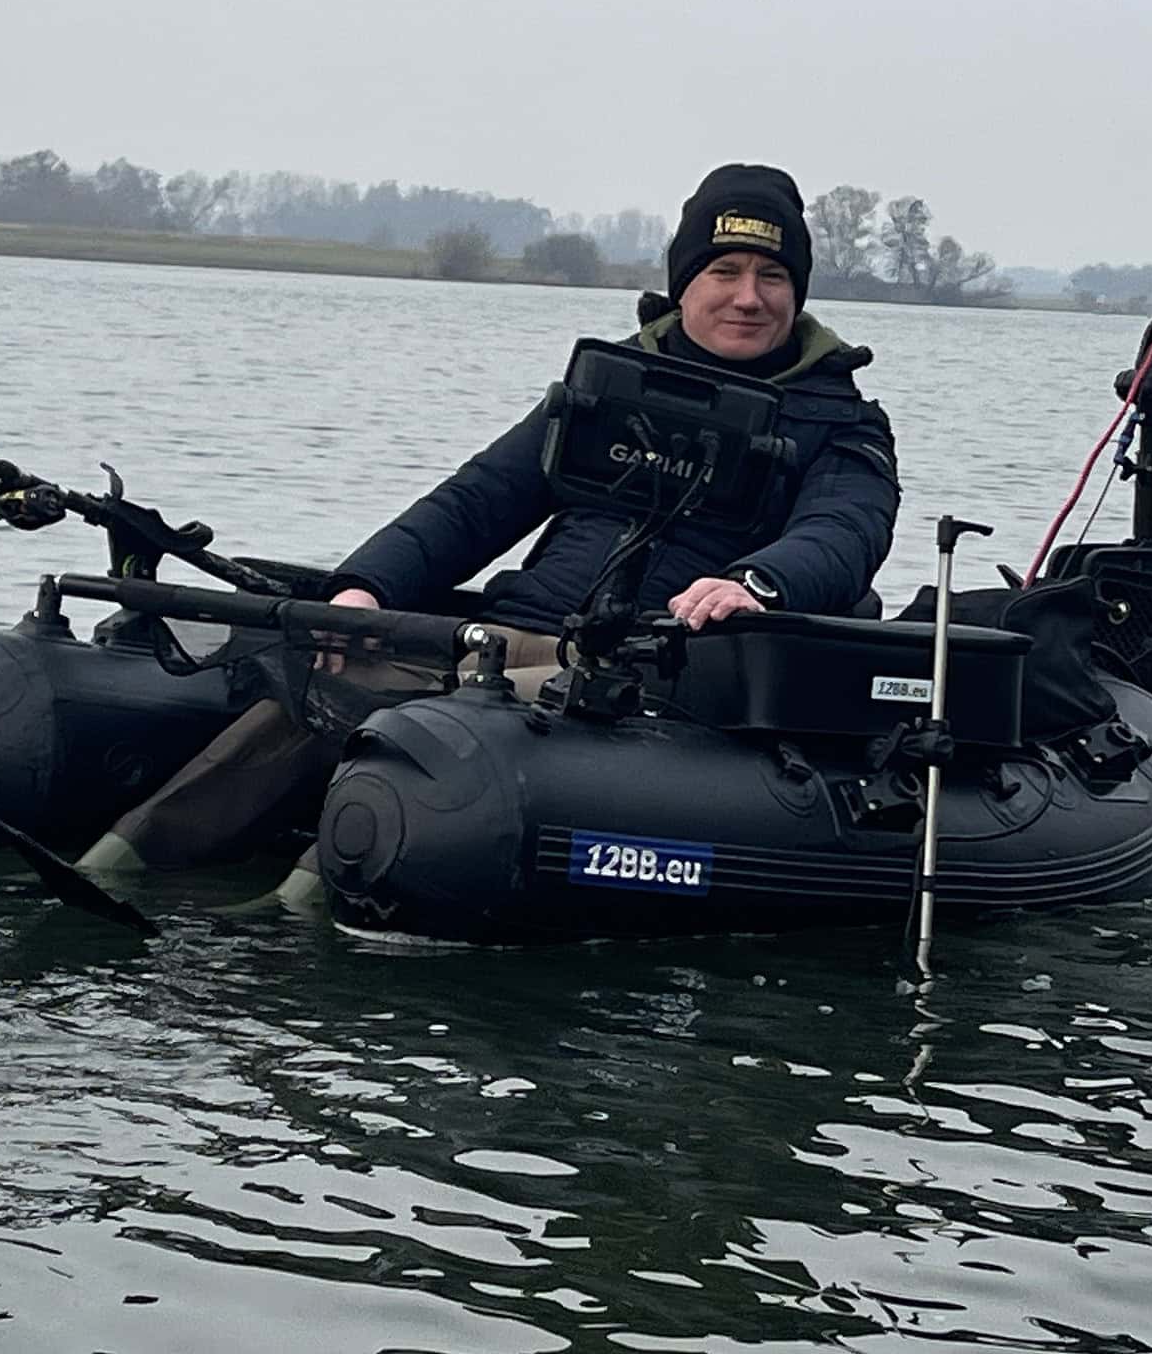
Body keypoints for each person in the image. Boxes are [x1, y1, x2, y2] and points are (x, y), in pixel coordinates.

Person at [78, 162, 900, 891]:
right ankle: (125, 864)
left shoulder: (842, 422)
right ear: (685, 281)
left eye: (771, 276)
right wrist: (362, 590)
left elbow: (847, 528)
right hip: (513, 631)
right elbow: (476, 502)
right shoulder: (604, 388)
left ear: (798, 292)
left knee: (445, 728)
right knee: (322, 680)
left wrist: (757, 583)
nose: (748, 297)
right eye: (725, 270)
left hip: (666, 666)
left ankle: (299, 910)